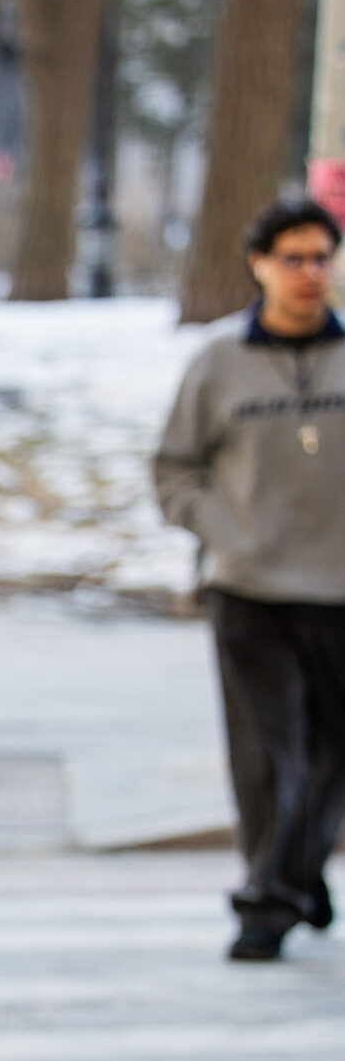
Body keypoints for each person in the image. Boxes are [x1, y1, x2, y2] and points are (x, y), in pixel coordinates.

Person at [155, 193, 345, 960]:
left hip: (337, 588)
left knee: (330, 754)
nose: (308, 273)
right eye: (292, 259)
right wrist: (222, 531)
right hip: (249, 590)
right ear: (258, 265)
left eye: (320, 258)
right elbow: (173, 470)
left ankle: (295, 871)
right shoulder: (217, 364)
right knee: (269, 753)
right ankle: (265, 902)